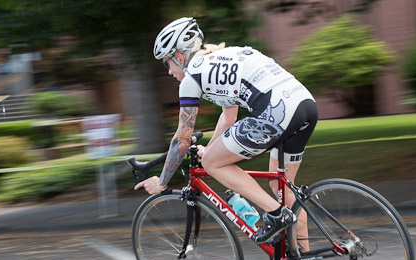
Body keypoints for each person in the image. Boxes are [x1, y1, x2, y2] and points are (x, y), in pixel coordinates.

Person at [134, 17, 318, 244]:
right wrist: (209, 150)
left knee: (213, 164)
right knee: (280, 187)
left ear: (179, 57)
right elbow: (228, 116)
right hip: (304, 104)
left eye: (166, 63)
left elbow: (182, 138)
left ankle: (275, 213)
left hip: (275, 110)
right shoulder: (220, 58)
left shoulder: (191, 78)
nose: (169, 72)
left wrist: (162, 181)